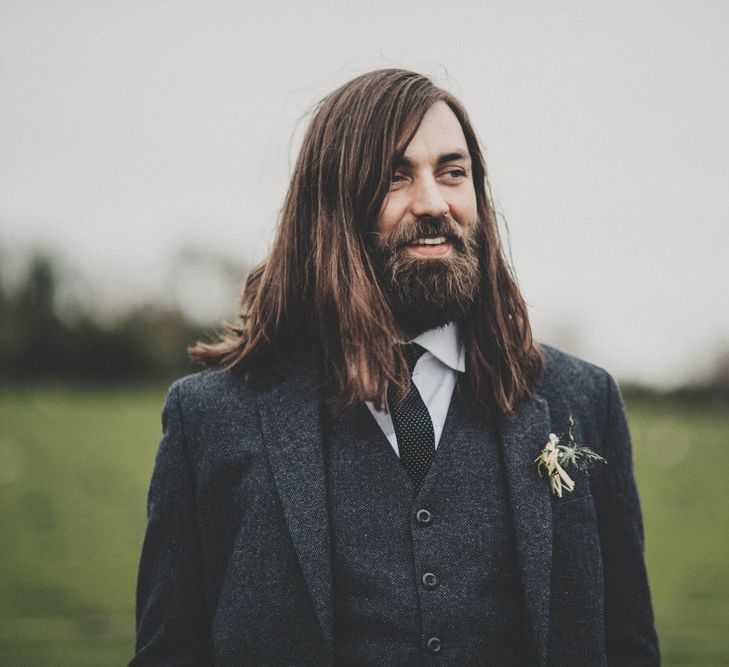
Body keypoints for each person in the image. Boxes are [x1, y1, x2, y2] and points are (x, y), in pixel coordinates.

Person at [130, 69, 659, 666]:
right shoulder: (210, 420)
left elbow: (629, 648)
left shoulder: (583, 402)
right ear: (329, 209)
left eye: (453, 173)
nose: (433, 203)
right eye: (394, 176)